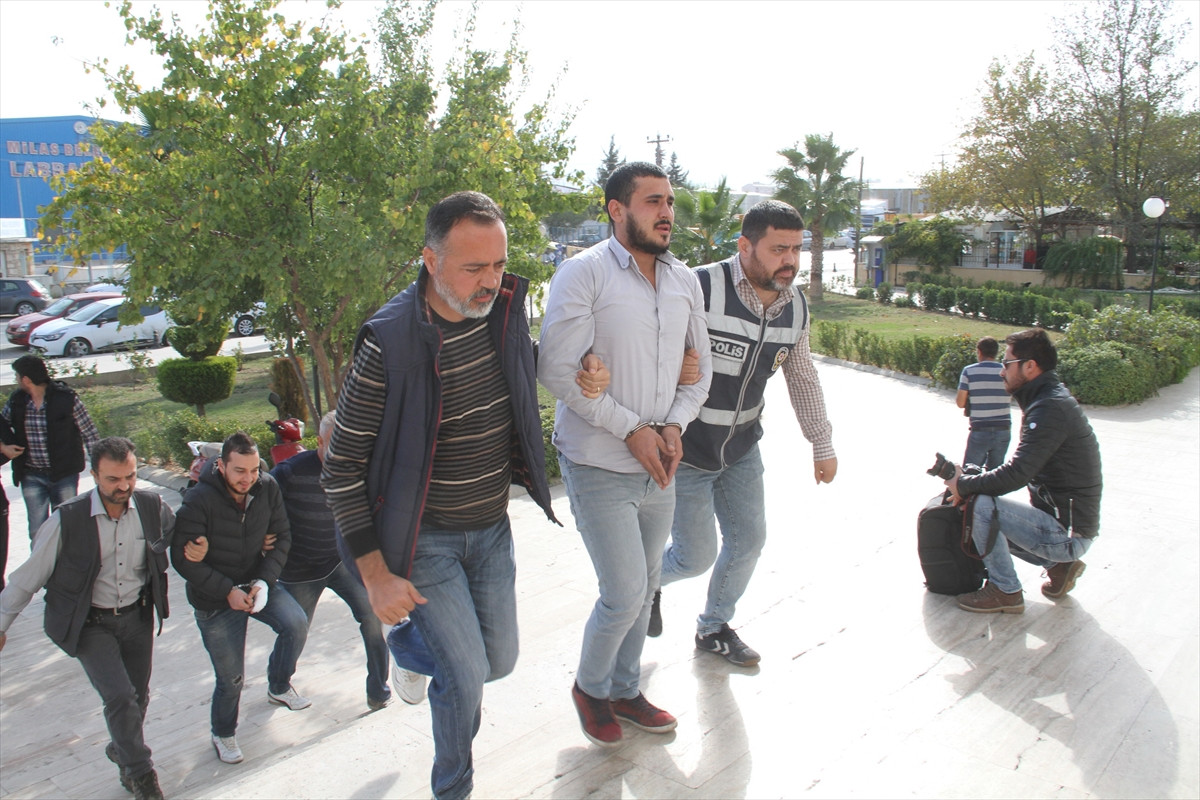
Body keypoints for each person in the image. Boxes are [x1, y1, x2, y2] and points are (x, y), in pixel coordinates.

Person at [321, 191, 606, 800]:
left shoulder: (501, 309)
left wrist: (583, 369)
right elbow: (340, 466)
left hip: (491, 527)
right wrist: (375, 577)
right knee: (467, 674)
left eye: (498, 265)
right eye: (474, 268)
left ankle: (409, 647)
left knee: (497, 661)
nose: (490, 282)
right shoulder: (389, 343)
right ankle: (453, 787)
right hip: (423, 539)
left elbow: (522, 364)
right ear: (430, 260)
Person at [538, 162, 712, 747]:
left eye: (670, 202)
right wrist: (632, 428)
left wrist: (674, 424)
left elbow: (700, 371)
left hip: (661, 463)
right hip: (598, 462)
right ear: (617, 210)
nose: (667, 213)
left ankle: (625, 689)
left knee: (648, 585)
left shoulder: (684, 280)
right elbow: (556, 369)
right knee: (623, 592)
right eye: (653, 201)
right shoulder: (582, 273)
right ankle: (590, 689)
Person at [651, 200, 837, 667]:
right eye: (778, 249)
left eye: (796, 249)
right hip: (685, 451)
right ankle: (642, 583)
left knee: (749, 542)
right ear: (745, 246)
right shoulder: (699, 286)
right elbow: (650, 348)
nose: (790, 261)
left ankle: (713, 627)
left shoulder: (795, 308)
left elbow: (802, 376)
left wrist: (822, 442)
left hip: (741, 451)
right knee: (694, 557)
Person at [0, 437, 205, 800]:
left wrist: (200, 545)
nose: (123, 486)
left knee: (138, 697)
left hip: (137, 616)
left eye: (129, 476)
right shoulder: (67, 520)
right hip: (89, 623)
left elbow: (180, 533)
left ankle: (122, 749)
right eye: (113, 479)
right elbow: (25, 579)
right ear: (94, 475)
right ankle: (142, 776)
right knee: (120, 697)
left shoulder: (151, 506)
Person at [171, 431, 310, 765]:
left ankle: (278, 685)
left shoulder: (268, 487)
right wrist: (226, 591)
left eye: (253, 470)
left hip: (256, 582)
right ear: (221, 466)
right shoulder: (198, 500)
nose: (248, 478)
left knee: (296, 624)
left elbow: (283, 537)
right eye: (239, 471)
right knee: (231, 678)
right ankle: (223, 732)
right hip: (214, 598)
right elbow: (182, 559)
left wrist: (264, 580)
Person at [945, 328, 1102, 614]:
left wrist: (963, 484)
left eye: (1007, 364)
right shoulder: (1046, 399)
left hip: (1069, 536)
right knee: (980, 507)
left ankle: (1006, 590)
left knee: (980, 507)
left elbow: (1016, 473)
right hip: (1066, 527)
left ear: (1030, 366)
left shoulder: (1049, 407)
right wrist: (967, 483)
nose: (1001, 372)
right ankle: (1059, 567)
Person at [271, 411, 392, 712]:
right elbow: (260, 500)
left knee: (373, 616)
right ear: (319, 442)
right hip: (299, 569)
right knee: (296, 630)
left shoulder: (357, 470)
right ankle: (278, 685)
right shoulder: (290, 472)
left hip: (340, 561)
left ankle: (378, 689)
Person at [1, 354, 100, 535]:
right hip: (31, 475)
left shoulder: (66, 398)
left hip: (64, 474)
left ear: (26, 379)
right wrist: (3, 447)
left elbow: (89, 433)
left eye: (17, 376)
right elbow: (2, 425)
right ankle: (41, 555)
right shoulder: (17, 401)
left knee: (67, 527)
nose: (16, 380)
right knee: (37, 530)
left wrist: (99, 468)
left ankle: (67, 555)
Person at [956, 336, 1011, 470]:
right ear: (996, 352)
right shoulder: (1007, 372)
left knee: (969, 473)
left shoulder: (969, 371)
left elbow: (960, 403)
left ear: (979, 352)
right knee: (996, 475)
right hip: (1003, 429)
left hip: (980, 429)